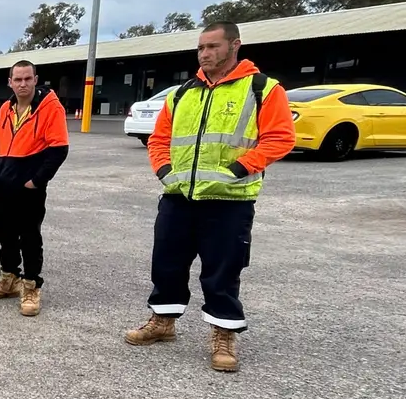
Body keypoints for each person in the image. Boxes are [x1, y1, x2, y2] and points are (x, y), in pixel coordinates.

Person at [123, 22, 294, 372]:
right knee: (167, 263)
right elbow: (159, 139)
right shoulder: (182, 93)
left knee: (222, 269)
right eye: (201, 47)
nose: (205, 54)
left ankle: (223, 334)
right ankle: (163, 322)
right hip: (179, 195)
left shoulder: (261, 88)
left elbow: (279, 137)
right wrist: (164, 171)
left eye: (213, 46)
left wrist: (239, 169)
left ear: (235, 46)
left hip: (229, 199)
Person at [0, 61, 69, 316]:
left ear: (35, 79)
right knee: (5, 235)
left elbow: (59, 149)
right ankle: (8, 279)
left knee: (29, 237)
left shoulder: (51, 108)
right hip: (4, 185)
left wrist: (36, 180)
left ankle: (30, 285)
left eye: (27, 78)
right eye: (17, 79)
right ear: (10, 82)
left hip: (29, 188)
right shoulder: (6, 107)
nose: (23, 84)